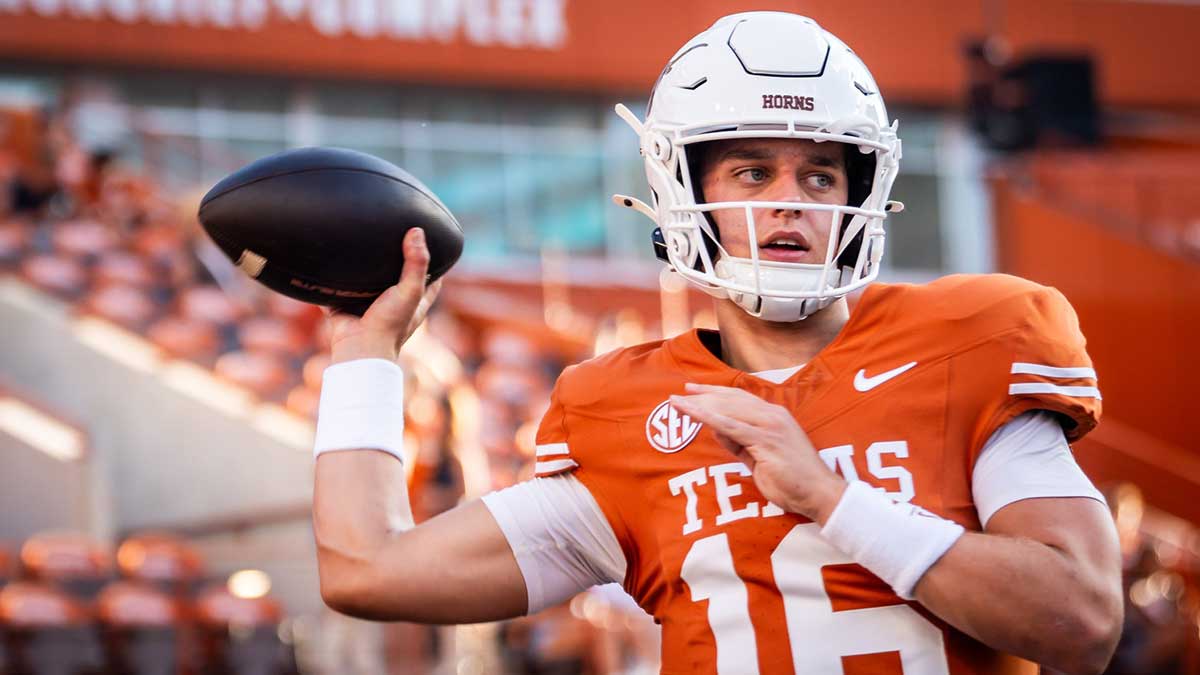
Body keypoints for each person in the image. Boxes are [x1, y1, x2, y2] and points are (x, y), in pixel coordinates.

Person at [311, 12, 1123, 675]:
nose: (790, 203)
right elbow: (368, 570)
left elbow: (1082, 622)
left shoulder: (968, 344)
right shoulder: (624, 414)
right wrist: (364, 355)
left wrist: (833, 500)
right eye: (751, 172)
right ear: (682, 189)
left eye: (819, 175)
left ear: (860, 192)